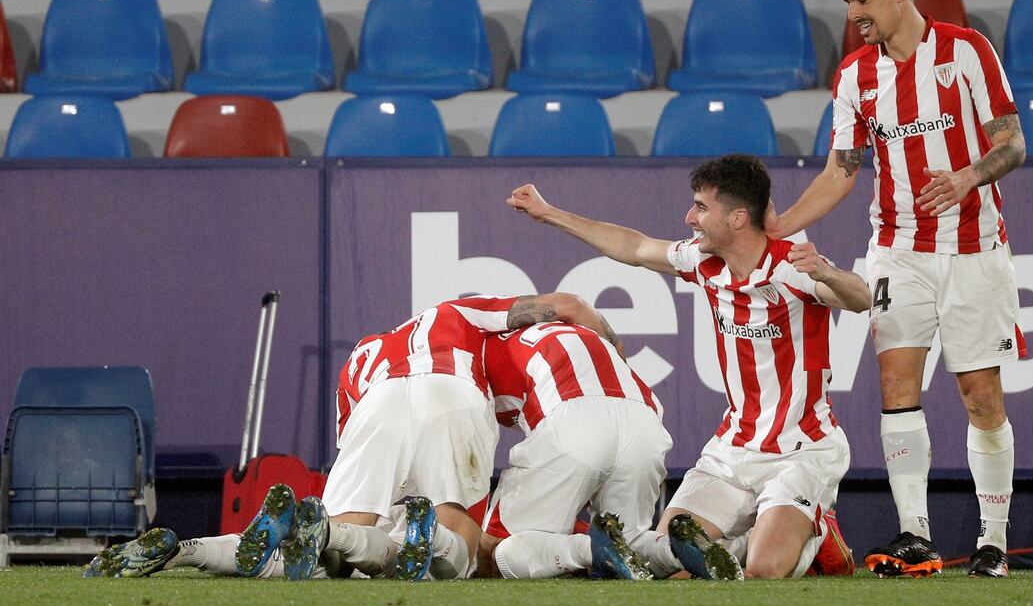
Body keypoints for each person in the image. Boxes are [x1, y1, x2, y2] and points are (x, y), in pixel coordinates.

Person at [769, 0, 1027, 579]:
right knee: (895, 385)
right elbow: (841, 170)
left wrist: (967, 178)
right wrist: (780, 226)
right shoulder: (855, 75)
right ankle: (916, 534)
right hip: (897, 250)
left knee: (980, 395)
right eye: (847, 1)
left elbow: (1013, 143)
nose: (854, 13)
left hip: (974, 248)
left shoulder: (966, 52)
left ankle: (993, 540)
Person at [85, 292, 620, 581]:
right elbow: (569, 306)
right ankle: (418, 533)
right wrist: (612, 354)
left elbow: (357, 437)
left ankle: (188, 550)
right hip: (451, 390)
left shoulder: (362, 356)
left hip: (376, 404)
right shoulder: (458, 313)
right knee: (454, 544)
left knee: (340, 539)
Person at [508, 154, 870, 580]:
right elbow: (636, 247)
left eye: (700, 207)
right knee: (671, 565)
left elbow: (862, 298)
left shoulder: (791, 267)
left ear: (737, 218)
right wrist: (549, 214)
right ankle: (744, 540)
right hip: (733, 450)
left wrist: (828, 274)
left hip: (802, 451)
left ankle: (818, 533)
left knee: (764, 571)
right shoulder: (703, 262)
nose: (689, 217)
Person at [475, 321, 677, 581]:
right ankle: (674, 551)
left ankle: (591, 548)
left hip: (573, 417)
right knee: (630, 541)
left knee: (499, 549)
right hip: (646, 422)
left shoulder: (473, 358)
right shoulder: (568, 330)